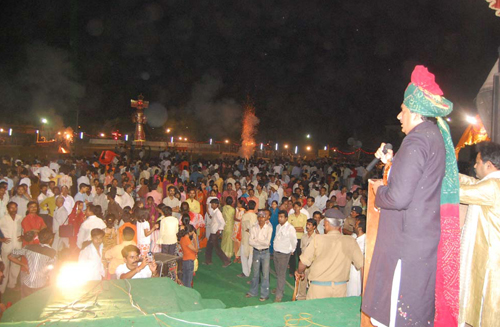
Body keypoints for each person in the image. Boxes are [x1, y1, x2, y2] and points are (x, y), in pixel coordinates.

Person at [363, 66, 459, 327]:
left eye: (403, 110)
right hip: (418, 239)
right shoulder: (432, 137)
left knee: (394, 317)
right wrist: (391, 164)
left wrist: (378, 192)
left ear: (415, 112)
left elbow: (398, 197)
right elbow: (417, 185)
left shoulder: (416, 141)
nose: (399, 115)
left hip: (404, 245)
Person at [458, 141, 500, 327]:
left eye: (478, 162)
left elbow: (458, 192)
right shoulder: (492, 183)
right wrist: (449, 173)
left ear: (489, 165)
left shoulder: (492, 186)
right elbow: (471, 183)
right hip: (488, 255)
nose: (474, 166)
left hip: (491, 259)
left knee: (489, 304)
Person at [296, 211, 363, 299]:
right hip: (340, 289)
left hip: (318, 289)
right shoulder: (350, 241)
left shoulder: (317, 239)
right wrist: (364, 290)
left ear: (327, 223)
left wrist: (299, 272)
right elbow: (363, 266)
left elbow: (303, 262)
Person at [9, 228, 56, 298]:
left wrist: (24, 265)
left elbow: (10, 256)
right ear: (51, 240)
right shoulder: (52, 253)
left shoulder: (28, 247)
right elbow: (51, 270)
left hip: (27, 284)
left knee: (25, 305)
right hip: (41, 285)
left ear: (39, 238)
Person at [245, 210, 272, 301]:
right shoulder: (253, 227)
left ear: (266, 218)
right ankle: (253, 292)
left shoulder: (269, 228)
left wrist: (256, 240)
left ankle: (264, 294)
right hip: (256, 252)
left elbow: (267, 242)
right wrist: (260, 242)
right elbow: (250, 242)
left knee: (265, 274)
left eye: (263, 217)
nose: (261, 218)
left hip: (265, 253)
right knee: (255, 273)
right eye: (259, 216)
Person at [272, 210, 297, 302]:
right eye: (279, 217)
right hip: (276, 251)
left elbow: (294, 240)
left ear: (286, 218)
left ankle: (279, 294)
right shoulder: (278, 226)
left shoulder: (290, 228)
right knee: (278, 272)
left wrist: (292, 250)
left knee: (281, 274)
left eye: (282, 217)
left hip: (284, 253)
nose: (280, 218)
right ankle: (279, 288)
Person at [0, 202, 23, 293]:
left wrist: (23, 236)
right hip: (7, 244)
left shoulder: (20, 218)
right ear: (7, 209)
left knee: (16, 265)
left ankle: (12, 285)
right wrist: (1, 239)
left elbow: (24, 229)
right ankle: (2, 288)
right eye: (11, 208)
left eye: (15, 208)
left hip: (17, 244)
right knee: (4, 266)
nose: (13, 209)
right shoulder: (3, 219)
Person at [204, 199, 231, 267]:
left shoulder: (218, 212)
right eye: (211, 204)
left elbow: (223, 222)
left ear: (217, 205)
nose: (212, 205)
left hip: (215, 232)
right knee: (209, 247)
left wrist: (219, 230)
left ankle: (226, 261)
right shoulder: (215, 212)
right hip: (213, 232)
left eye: (213, 204)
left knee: (216, 248)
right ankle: (208, 261)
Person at [296, 218, 317, 300]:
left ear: (314, 227)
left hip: (312, 263)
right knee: (302, 281)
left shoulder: (317, 238)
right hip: (304, 262)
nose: (307, 226)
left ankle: (312, 298)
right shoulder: (304, 236)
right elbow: (301, 250)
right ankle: (301, 297)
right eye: (307, 224)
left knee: (312, 282)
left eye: (309, 225)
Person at [347, 216, 366, 297]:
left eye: (356, 225)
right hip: (349, 270)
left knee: (354, 293)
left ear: (359, 228)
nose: (354, 226)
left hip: (357, 273)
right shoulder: (353, 237)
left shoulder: (365, 240)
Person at [288, 201, 307, 278]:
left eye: (298, 207)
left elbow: (303, 229)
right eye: (295, 207)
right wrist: (297, 228)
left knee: (300, 255)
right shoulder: (290, 216)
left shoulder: (304, 216)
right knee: (292, 255)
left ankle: (300, 270)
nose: (296, 209)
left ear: (301, 208)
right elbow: (289, 228)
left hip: (300, 238)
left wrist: (294, 228)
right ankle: (292, 271)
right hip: (292, 238)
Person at [239, 200, 257, 277]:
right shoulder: (256, 216)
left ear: (248, 206)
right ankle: (248, 271)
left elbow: (245, 227)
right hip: (254, 237)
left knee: (244, 255)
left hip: (246, 236)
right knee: (251, 254)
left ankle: (245, 272)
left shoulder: (245, 216)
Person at [231, 199, 246, 263]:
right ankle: (236, 256)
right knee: (235, 242)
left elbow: (244, 219)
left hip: (241, 227)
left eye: (238, 203)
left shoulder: (244, 211)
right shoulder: (236, 209)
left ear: (241, 204)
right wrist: (239, 220)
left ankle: (241, 257)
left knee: (240, 242)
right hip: (236, 226)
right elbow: (234, 217)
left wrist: (239, 221)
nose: (237, 204)